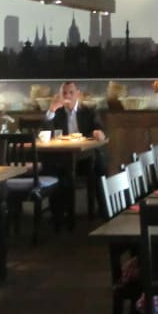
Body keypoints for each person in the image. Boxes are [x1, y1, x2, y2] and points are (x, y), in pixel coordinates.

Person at [44, 81, 108, 220]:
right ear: (59, 95)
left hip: (85, 157)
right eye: (64, 93)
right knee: (52, 168)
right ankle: (59, 215)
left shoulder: (89, 111)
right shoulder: (57, 112)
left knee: (100, 165)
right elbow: (46, 132)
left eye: (71, 93)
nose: (67, 96)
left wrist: (98, 133)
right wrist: (51, 110)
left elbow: (99, 128)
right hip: (63, 157)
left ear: (78, 94)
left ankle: (104, 210)